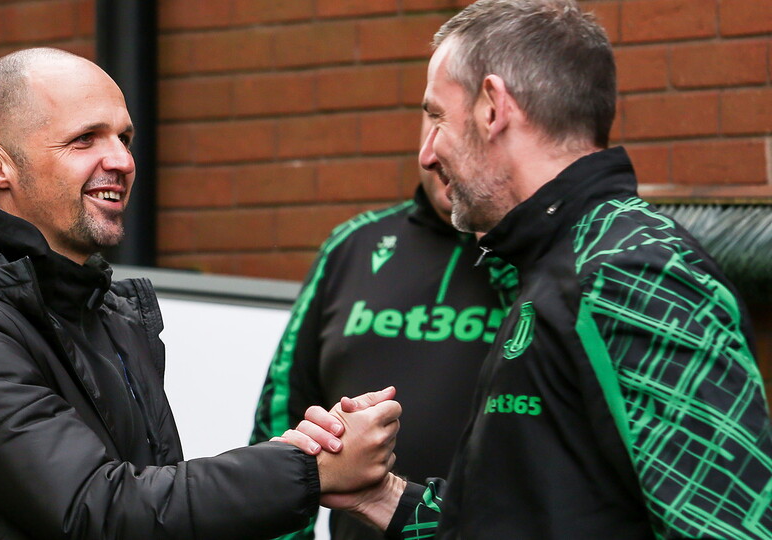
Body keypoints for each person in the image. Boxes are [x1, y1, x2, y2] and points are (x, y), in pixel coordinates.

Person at [0, 47, 402, 539]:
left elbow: (149, 495)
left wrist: (304, 456)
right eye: (85, 139)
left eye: (124, 138)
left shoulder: (92, 302)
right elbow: (98, 509)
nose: (121, 160)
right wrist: (307, 468)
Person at [286, 1, 772, 538]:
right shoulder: (549, 260)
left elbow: (728, 528)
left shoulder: (628, 269)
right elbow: (521, 513)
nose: (427, 154)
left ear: (493, 108)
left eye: (438, 117)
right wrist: (379, 495)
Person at [250, 113, 516, 540]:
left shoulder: (541, 264)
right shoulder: (353, 244)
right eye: (433, 119)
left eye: (460, 125)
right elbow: (280, 419)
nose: (435, 150)